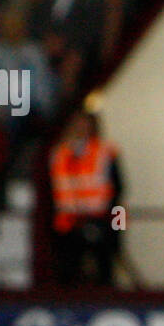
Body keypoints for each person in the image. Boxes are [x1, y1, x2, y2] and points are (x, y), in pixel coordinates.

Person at [49, 109, 122, 285]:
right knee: (67, 270)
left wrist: (114, 223)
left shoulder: (105, 152)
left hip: (99, 219)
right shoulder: (60, 153)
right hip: (68, 221)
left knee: (104, 267)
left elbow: (118, 187)